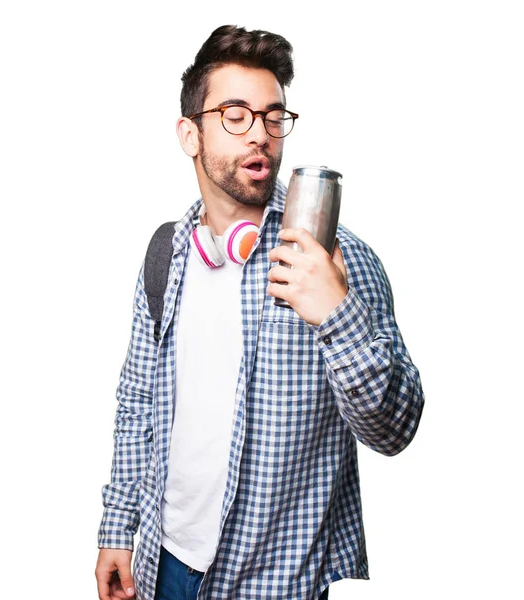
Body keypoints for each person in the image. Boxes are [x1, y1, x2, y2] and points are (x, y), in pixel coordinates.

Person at [95, 24, 425, 600]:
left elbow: (394, 429)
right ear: (189, 135)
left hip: (276, 584)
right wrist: (117, 529)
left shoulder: (336, 260)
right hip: (161, 565)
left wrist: (336, 314)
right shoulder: (165, 255)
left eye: (274, 117)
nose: (262, 135)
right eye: (236, 115)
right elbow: (138, 399)